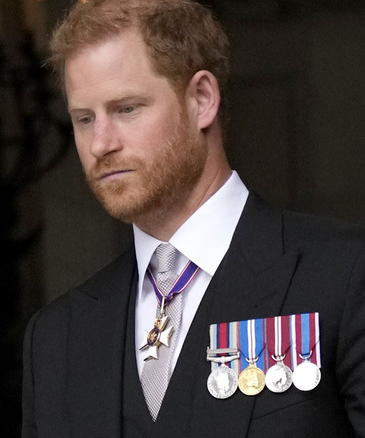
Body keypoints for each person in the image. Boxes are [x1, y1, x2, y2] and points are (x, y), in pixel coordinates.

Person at [22, 0, 365, 436]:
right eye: (84, 118)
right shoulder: (57, 339)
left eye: (126, 108)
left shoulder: (345, 277)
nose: (99, 144)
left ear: (201, 100)